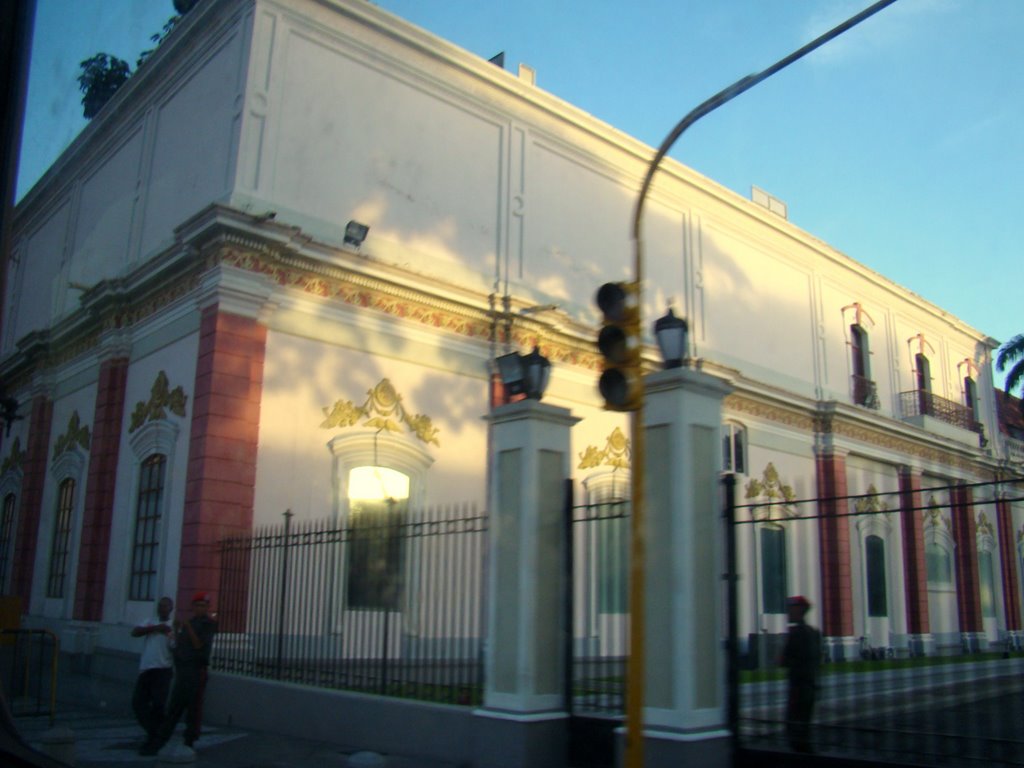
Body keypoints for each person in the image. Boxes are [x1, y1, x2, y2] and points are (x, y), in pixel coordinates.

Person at [140, 592, 217, 755]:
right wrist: (177, 630)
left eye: (203, 605)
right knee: (175, 707)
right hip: (183, 671)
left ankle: (189, 740)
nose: (199, 608)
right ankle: (161, 741)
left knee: (193, 708)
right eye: (197, 605)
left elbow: (198, 645)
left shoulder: (207, 624)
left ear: (207, 607)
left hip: (197, 670)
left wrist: (187, 627)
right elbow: (178, 646)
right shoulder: (190, 622)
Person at [779, 595, 821, 753]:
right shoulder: (814, 632)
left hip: (798, 686)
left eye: (791, 609)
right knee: (804, 726)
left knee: (795, 727)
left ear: (799, 611)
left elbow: (785, 660)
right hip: (810, 685)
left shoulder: (796, 633)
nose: (789, 612)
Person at [131, 596, 174, 743]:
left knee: (158, 705)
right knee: (138, 703)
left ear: (171, 609)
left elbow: (175, 647)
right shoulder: (150, 621)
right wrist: (155, 628)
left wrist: (170, 634)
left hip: (162, 670)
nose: (161, 609)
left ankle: (157, 736)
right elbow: (135, 632)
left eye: (165, 606)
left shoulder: (172, 626)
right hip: (146, 670)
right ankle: (154, 732)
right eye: (160, 606)